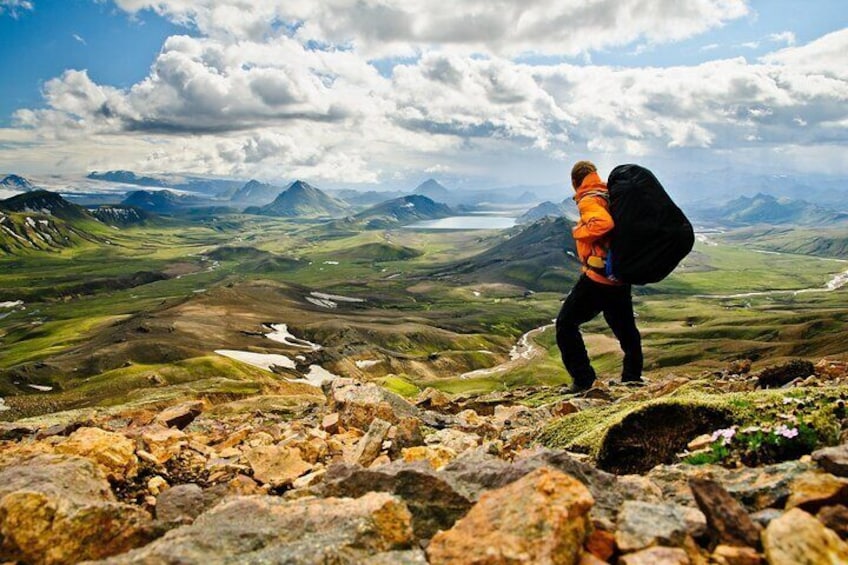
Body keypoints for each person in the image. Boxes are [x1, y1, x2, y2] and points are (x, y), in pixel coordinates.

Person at [556, 160, 643, 393]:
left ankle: (583, 379)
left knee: (566, 324)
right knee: (626, 330)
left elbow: (603, 224)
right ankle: (632, 377)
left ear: (575, 182)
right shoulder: (608, 194)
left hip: (598, 279)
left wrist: (578, 231)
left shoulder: (589, 198)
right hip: (618, 277)